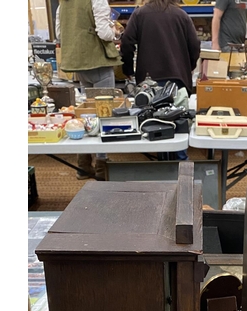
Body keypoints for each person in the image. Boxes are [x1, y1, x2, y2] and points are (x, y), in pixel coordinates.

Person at [120, 0, 200, 160]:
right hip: (177, 78)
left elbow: (126, 42)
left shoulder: (140, 14)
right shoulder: (181, 15)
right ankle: (181, 168)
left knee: (156, 128)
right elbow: (195, 45)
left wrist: (128, 69)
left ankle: (162, 168)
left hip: (149, 81)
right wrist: (188, 66)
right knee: (178, 127)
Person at [55, 0, 123, 180]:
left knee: (86, 113)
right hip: (98, 61)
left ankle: (83, 165)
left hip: (79, 62)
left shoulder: (64, 3)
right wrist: (115, 31)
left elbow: (60, 33)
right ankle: (102, 166)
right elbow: (104, 33)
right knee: (104, 114)